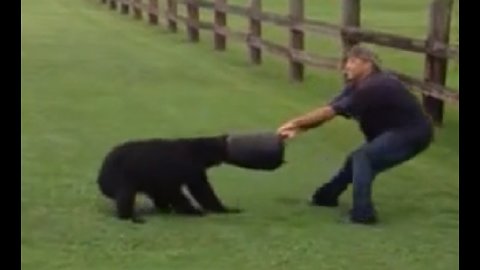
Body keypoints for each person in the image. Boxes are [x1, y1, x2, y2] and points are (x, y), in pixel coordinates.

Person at [276, 45, 434, 224]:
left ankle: (363, 215)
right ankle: (326, 197)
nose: (346, 67)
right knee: (357, 160)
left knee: (363, 158)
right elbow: (330, 111)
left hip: (411, 134)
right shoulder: (355, 86)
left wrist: (295, 122)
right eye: (346, 62)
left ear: (368, 64)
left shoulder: (376, 85)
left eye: (352, 62)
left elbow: (329, 112)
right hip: (394, 133)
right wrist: (299, 129)